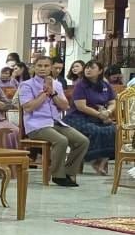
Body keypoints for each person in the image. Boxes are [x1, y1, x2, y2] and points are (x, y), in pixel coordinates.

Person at [18, 54, 89, 186]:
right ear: (34, 67)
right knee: (62, 140)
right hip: (36, 125)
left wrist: (53, 93)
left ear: (51, 68)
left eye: (46, 66)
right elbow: (28, 107)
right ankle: (58, 175)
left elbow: (65, 106)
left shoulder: (57, 85)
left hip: (56, 122)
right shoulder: (26, 85)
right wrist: (45, 93)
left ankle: (68, 171)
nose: (42, 69)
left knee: (82, 141)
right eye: (39, 66)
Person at [66, 59, 117, 177]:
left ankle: (102, 162)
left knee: (114, 129)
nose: (88, 70)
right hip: (77, 117)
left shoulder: (105, 85)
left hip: (99, 117)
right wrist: (100, 114)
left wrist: (108, 111)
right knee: (96, 130)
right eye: (87, 68)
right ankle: (94, 160)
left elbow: (112, 102)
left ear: (100, 71)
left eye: (92, 68)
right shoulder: (80, 85)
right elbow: (81, 106)